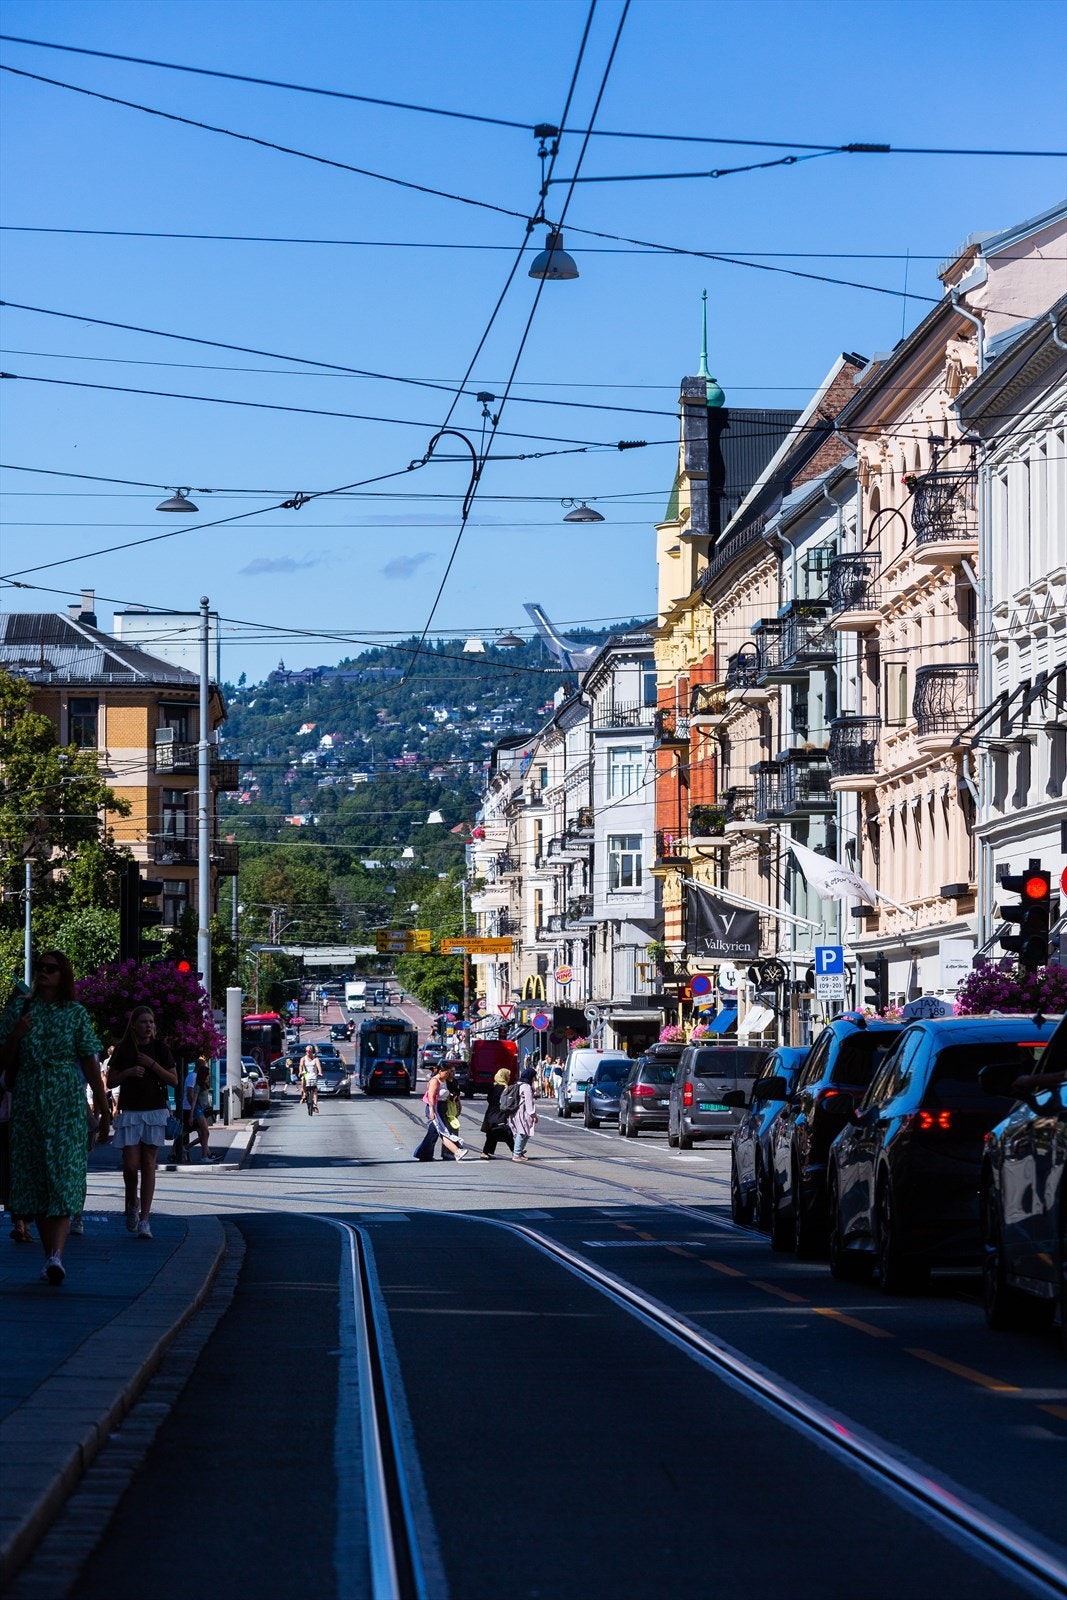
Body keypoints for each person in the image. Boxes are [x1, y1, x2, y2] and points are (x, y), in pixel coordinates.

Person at [0, 950, 111, 1285]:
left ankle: (55, 1257)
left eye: (51, 969)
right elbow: (1, 1059)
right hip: (29, 1104)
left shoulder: (75, 1014)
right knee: (38, 1179)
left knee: (62, 1177)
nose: (43, 974)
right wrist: (17, 1035)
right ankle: (51, 1256)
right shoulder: (19, 1009)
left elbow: (91, 1064)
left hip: (65, 1104)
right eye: (40, 969)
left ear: (63, 975)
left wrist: (104, 1109)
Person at [109, 1005, 178, 1239]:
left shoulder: (160, 1048)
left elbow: (174, 1080)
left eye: (150, 1022)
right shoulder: (123, 1049)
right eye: (143, 1022)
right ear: (134, 1025)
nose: (148, 1026)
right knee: (130, 1165)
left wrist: (152, 1065)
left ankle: (145, 1219)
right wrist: (128, 1072)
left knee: (148, 1164)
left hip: (154, 1110)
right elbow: (110, 1081)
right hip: (130, 1111)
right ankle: (132, 1200)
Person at [413, 1062, 467, 1162]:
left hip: (442, 1107)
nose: (448, 1075)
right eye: (446, 1073)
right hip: (434, 1108)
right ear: (440, 1071)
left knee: (433, 1133)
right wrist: (432, 1110)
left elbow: (452, 1092)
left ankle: (423, 1154)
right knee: (441, 1131)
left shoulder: (445, 1080)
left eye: (449, 1073)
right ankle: (457, 1151)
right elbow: (431, 1097)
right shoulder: (435, 1081)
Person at [183, 1061, 217, 1162]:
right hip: (198, 1111)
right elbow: (193, 1101)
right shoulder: (198, 1086)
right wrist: (191, 1115)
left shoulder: (204, 1085)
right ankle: (204, 1156)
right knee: (205, 1133)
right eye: (207, 1075)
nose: (209, 1076)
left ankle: (189, 1148)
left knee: (204, 1134)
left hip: (203, 1111)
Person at [480, 1066, 515, 1159]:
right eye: (508, 1075)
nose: (509, 1077)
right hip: (499, 1113)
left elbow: (489, 1099)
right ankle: (516, 1151)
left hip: (490, 1113)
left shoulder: (493, 1087)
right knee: (505, 1132)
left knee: (492, 1133)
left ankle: (486, 1152)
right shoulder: (505, 1089)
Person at [509, 1065, 538, 1162]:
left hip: (516, 1112)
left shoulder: (519, 1084)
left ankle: (519, 1151)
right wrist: (533, 1115)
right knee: (522, 1132)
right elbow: (529, 1102)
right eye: (534, 1076)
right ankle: (516, 1154)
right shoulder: (526, 1087)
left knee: (524, 1132)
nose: (535, 1078)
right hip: (523, 1112)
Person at [300, 1046, 321, 1113]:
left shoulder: (316, 1059)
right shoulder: (303, 1059)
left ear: (312, 1051)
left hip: (313, 1075)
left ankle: (315, 1105)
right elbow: (300, 1066)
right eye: (306, 1051)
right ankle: (305, 1093)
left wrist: (320, 1072)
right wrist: (300, 1072)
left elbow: (318, 1066)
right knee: (303, 1079)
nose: (308, 1052)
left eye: (309, 1051)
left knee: (315, 1091)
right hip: (306, 1074)